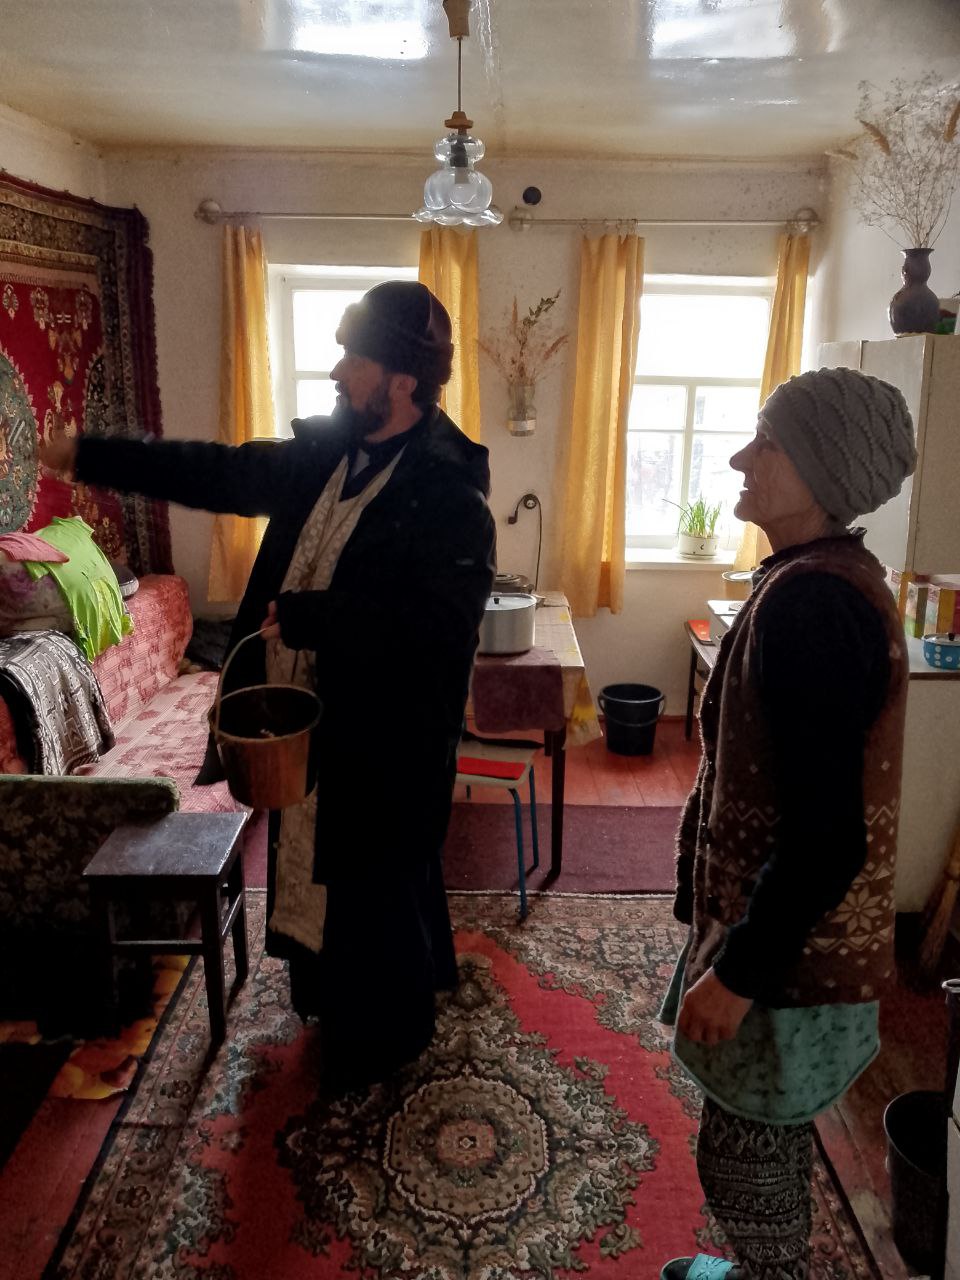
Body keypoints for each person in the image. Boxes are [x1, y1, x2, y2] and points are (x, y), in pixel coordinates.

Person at [40, 281, 497, 1091]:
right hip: (304, 722)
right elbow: (217, 472)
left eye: (354, 358)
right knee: (312, 868)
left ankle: (384, 1037)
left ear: (402, 379)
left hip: (386, 741)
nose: (337, 371)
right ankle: (327, 1002)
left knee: (374, 887)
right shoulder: (324, 454)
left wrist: (322, 618)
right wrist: (93, 455)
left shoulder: (452, 499)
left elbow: (438, 631)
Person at [658, 366, 917, 1280]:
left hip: (788, 967)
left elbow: (827, 838)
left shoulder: (814, 605)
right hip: (790, 951)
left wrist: (737, 974)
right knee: (759, 1145)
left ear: (821, 468)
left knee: (744, 1168)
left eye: (765, 443)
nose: (740, 458)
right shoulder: (818, 580)